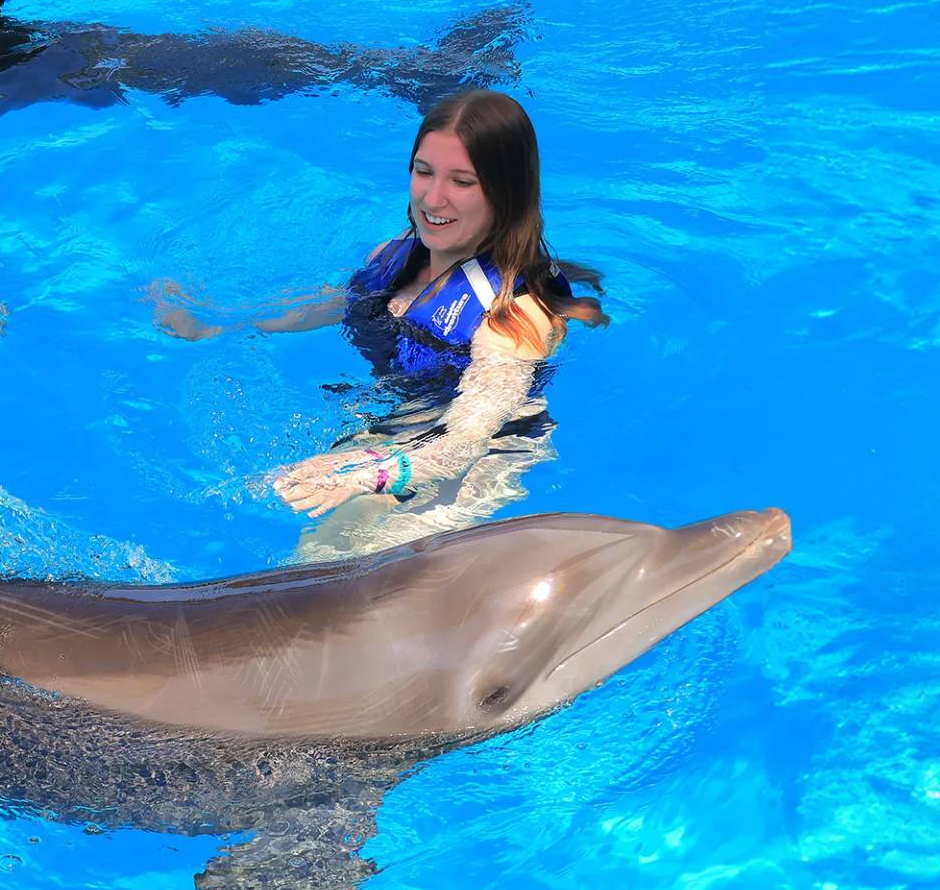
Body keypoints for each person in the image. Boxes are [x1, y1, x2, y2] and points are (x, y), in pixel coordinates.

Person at [150, 89, 607, 550]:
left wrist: (369, 474)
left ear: (506, 194)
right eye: (423, 172)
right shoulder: (397, 255)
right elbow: (333, 303)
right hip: (407, 428)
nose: (433, 198)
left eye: (462, 182)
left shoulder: (513, 317)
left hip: (484, 453)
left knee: (333, 557)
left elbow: (466, 441)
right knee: (257, 499)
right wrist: (221, 324)